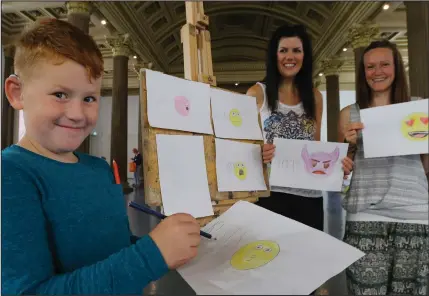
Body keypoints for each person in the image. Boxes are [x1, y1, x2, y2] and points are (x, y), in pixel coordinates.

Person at [2, 19, 201, 295]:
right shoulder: (11, 174)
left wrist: (164, 247)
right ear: (17, 93)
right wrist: (149, 256)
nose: (77, 113)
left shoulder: (99, 169)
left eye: (89, 98)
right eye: (60, 94)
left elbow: (109, 247)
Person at [339, 40, 428, 295]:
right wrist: (349, 147)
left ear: (397, 68)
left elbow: (425, 164)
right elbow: (343, 169)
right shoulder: (349, 114)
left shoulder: (418, 109)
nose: (377, 72)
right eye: (370, 67)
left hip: (414, 214)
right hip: (365, 213)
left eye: (384, 64)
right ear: (363, 72)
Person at [246, 24, 352, 232]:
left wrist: (338, 165)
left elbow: (315, 146)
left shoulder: (314, 96)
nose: (290, 57)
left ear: (305, 56)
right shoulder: (257, 93)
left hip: (308, 196)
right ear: (274, 55)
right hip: (269, 194)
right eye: (283, 50)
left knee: (306, 259)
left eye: (297, 50)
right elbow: (241, 147)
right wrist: (257, 152)